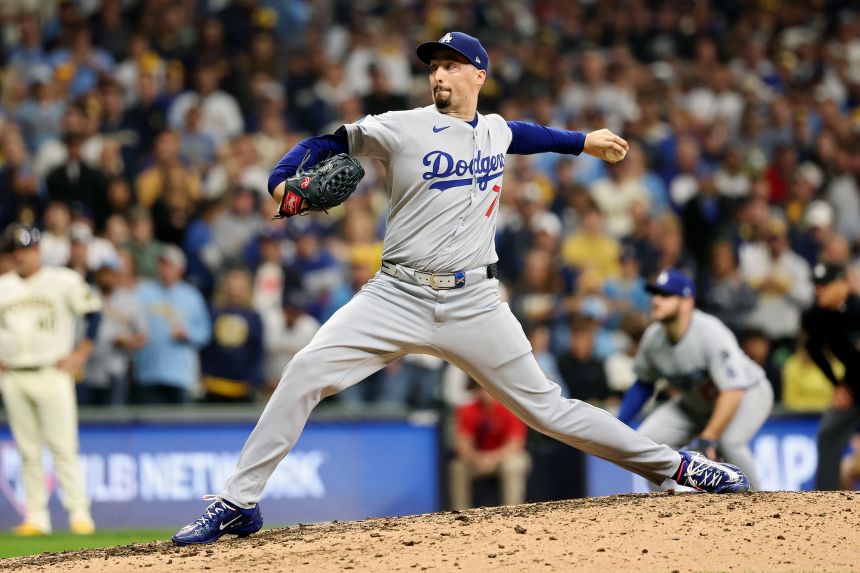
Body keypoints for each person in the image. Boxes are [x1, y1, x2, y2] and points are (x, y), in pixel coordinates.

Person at [172, 31, 751, 546]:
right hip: (396, 294)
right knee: (303, 372)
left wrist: (582, 141)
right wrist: (281, 184)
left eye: (451, 65)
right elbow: (325, 143)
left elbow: (527, 134)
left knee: (548, 409)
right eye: (433, 67)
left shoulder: (495, 130)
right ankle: (237, 504)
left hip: (476, 301)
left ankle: (679, 467)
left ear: (479, 74)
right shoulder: (401, 126)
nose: (439, 74)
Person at [616, 269, 774, 490]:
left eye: (666, 295)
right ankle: (667, 512)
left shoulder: (710, 332)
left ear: (687, 302)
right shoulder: (653, 338)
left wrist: (709, 435)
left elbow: (733, 391)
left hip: (747, 393)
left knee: (729, 443)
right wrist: (617, 424)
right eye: (655, 294)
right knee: (647, 441)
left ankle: (762, 504)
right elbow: (644, 384)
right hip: (696, 401)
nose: (656, 301)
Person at [0, 225, 101, 535]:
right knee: (28, 450)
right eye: (17, 249)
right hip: (13, 375)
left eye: (27, 249)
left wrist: (80, 354)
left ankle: (79, 514)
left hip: (52, 372)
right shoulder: (3, 285)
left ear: (38, 250)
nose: (22, 254)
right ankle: (36, 517)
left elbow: (94, 313)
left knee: (63, 446)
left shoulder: (63, 280)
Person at [801, 262, 860, 490]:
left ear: (842, 283)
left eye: (824, 285)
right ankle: (824, 501)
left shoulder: (857, 310)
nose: (819, 290)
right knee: (828, 433)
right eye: (816, 285)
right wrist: (837, 385)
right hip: (853, 384)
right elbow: (814, 350)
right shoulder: (814, 316)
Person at [133, 245, 211, 404]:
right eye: (162, 264)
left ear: (180, 269)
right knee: (149, 425)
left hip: (180, 375)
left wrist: (188, 334)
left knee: (181, 426)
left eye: (169, 265)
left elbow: (205, 333)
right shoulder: (143, 292)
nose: (165, 269)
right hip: (148, 372)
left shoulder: (191, 296)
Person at [449, 384, 531, 510]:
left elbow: (515, 444)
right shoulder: (467, 410)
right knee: (457, 467)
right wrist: (477, 458)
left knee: (513, 465)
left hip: (503, 458)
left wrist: (493, 457)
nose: (484, 393)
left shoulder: (509, 407)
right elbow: (462, 445)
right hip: (477, 459)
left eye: (486, 388)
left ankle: (513, 511)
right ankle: (460, 514)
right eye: (479, 388)